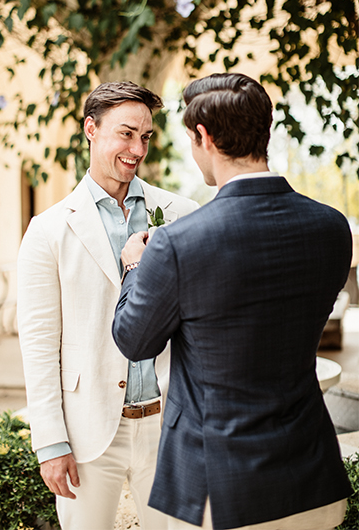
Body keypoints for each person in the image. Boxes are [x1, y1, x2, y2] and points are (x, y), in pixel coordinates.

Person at [112, 72, 352, 530]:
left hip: (221, 491)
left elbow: (134, 341)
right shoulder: (331, 227)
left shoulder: (178, 244)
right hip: (311, 475)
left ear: (204, 136)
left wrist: (136, 265)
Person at [17, 81, 198, 529]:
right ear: (91, 129)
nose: (137, 148)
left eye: (146, 137)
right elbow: (40, 345)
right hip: (88, 430)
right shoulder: (48, 230)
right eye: (126, 133)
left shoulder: (181, 214)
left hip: (169, 423)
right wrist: (51, 443)